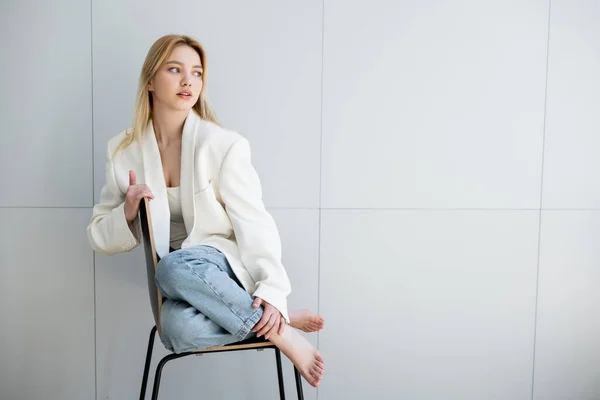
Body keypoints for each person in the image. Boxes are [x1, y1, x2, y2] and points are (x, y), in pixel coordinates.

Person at [86, 34, 325, 387]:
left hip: (217, 268)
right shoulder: (123, 152)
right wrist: (128, 209)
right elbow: (98, 235)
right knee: (176, 330)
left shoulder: (223, 145)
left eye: (197, 73)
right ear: (150, 81)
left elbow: (255, 222)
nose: (188, 81)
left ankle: (281, 334)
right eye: (175, 69)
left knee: (172, 266)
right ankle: (280, 324)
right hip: (188, 286)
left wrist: (273, 290)